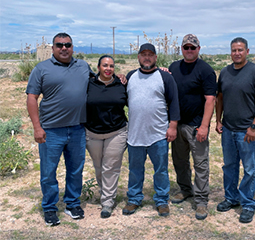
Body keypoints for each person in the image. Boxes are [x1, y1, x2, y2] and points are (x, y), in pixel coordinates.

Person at [26, 32, 92, 226]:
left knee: (75, 170)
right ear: (53, 48)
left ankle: (72, 203)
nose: (64, 48)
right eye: (59, 45)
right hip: (51, 130)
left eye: (68, 44)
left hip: (77, 128)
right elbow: (32, 98)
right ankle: (49, 207)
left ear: (73, 47)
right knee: (48, 172)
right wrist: (37, 128)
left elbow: (102, 80)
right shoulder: (41, 69)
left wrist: (120, 77)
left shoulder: (83, 66)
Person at [122, 43, 180, 217]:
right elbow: (126, 99)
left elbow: (174, 102)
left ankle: (162, 200)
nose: (147, 57)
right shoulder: (131, 76)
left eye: (150, 54)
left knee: (161, 170)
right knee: (134, 169)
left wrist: (173, 126)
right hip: (135, 134)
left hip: (158, 134)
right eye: (143, 54)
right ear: (138, 57)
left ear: (155, 57)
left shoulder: (165, 77)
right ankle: (134, 199)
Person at [216, 37, 255, 223]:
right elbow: (220, 98)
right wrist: (218, 120)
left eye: (240, 50)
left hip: (247, 130)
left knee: (249, 169)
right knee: (229, 166)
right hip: (229, 129)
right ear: (230, 52)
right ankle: (231, 198)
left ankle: (247, 204)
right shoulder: (224, 72)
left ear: (247, 51)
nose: (237, 53)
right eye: (233, 50)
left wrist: (254, 126)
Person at [169, 34, 217, 220]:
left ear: (199, 49)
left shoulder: (205, 70)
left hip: (196, 126)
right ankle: (185, 189)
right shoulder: (174, 67)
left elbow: (210, 100)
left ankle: (202, 200)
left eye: (193, 47)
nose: (189, 50)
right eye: (186, 47)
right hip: (178, 124)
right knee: (180, 161)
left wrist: (204, 126)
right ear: (181, 49)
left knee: (201, 164)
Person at [85, 55, 128, 219]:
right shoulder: (89, 84)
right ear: (98, 68)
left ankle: (107, 202)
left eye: (111, 66)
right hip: (92, 132)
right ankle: (105, 193)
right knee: (99, 167)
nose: (108, 69)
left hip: (116, 132)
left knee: (111, 167)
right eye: (105, 65)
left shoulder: (121, 84)